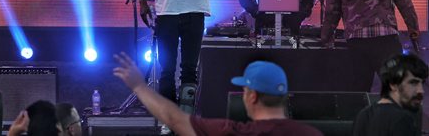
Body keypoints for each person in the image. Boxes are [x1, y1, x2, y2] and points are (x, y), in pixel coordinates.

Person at [113, 51, 323, 136]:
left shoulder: (232, 132)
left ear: (252, 96)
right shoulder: (312, 134)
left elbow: (173, 119)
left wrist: (139, 86)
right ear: (285, 98)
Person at [352, 53, 427, 136]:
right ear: (393, 84)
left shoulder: (363, 115)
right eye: (413, 83)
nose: (421, 90)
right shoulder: (403, 119)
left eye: (421, 83)